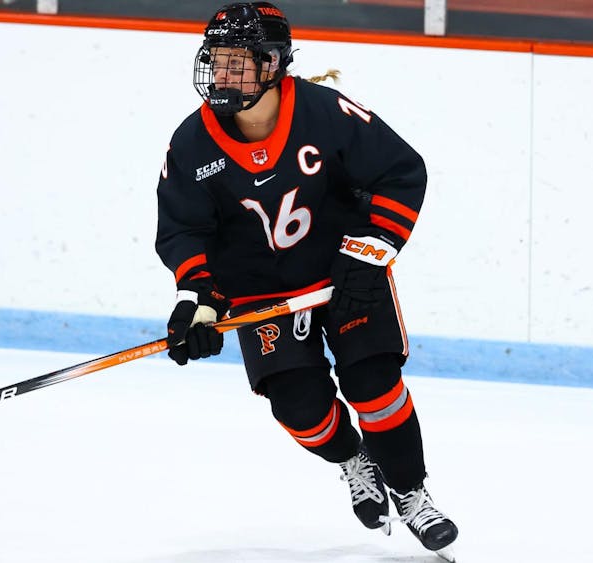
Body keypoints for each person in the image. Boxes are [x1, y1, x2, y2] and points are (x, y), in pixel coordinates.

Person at [155, 2, 458, 557]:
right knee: (300, 408)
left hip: (344, 275)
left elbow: (401, 171)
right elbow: (183, 229)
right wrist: (197, 299)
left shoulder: (324, 113)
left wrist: (368, 253)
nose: (222, 74)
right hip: (262, 292)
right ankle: (352, 460)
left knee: (373, 384)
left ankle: (412, 492)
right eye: (215, 61)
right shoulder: (191, 143)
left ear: (272, 64)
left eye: (236, 62)